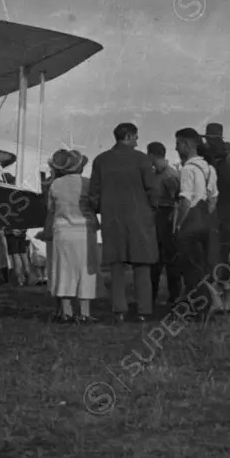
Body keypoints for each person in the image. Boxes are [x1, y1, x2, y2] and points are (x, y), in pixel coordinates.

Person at [88, 123, 158, 323]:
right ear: (128, 136)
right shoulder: (142, 159)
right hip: (140, 217)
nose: (137, 141)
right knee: (142, 265)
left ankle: (119, 309)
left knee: (117, 265)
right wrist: (151, 209)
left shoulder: (101, 160)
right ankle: (144, 310)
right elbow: (152, 189)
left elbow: (94, 193)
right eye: (136, 137)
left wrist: (104, 209)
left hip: (113, 218)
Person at [173, 128, 224, 321]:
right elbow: (213, 199)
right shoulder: (209, 168)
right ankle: (208, 303)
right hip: (207, 221)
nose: (176, 148)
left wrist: (179, 225)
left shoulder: (187, 169)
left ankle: (200, 308)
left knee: (191, 268)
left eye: (178, 144)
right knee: (204, 266)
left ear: (186, 145)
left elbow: (185, 201)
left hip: (191, 223)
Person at [46, 149, 99, 323]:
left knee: (63, 270)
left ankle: (66, 311)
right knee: (85, 271)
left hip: (62, 231)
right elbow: (96, 205)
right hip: (84, 230)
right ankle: (84, 312)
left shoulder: (55, 185)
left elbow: (50, 210)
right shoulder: (87, 183)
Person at [203, 124, 230, 312]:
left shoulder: (220, 164)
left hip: (223, 214)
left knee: (223, 254)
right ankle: (229, 297)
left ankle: (223, 297)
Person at [146, 142, 182, 308]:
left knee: (171, 260)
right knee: (155, 261)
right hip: (156, 219)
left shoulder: (170, 175)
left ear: (152, 155)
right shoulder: (155, 174)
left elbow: (177, 200)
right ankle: (151, 296)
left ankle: (173, 296)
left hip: (167, 219)